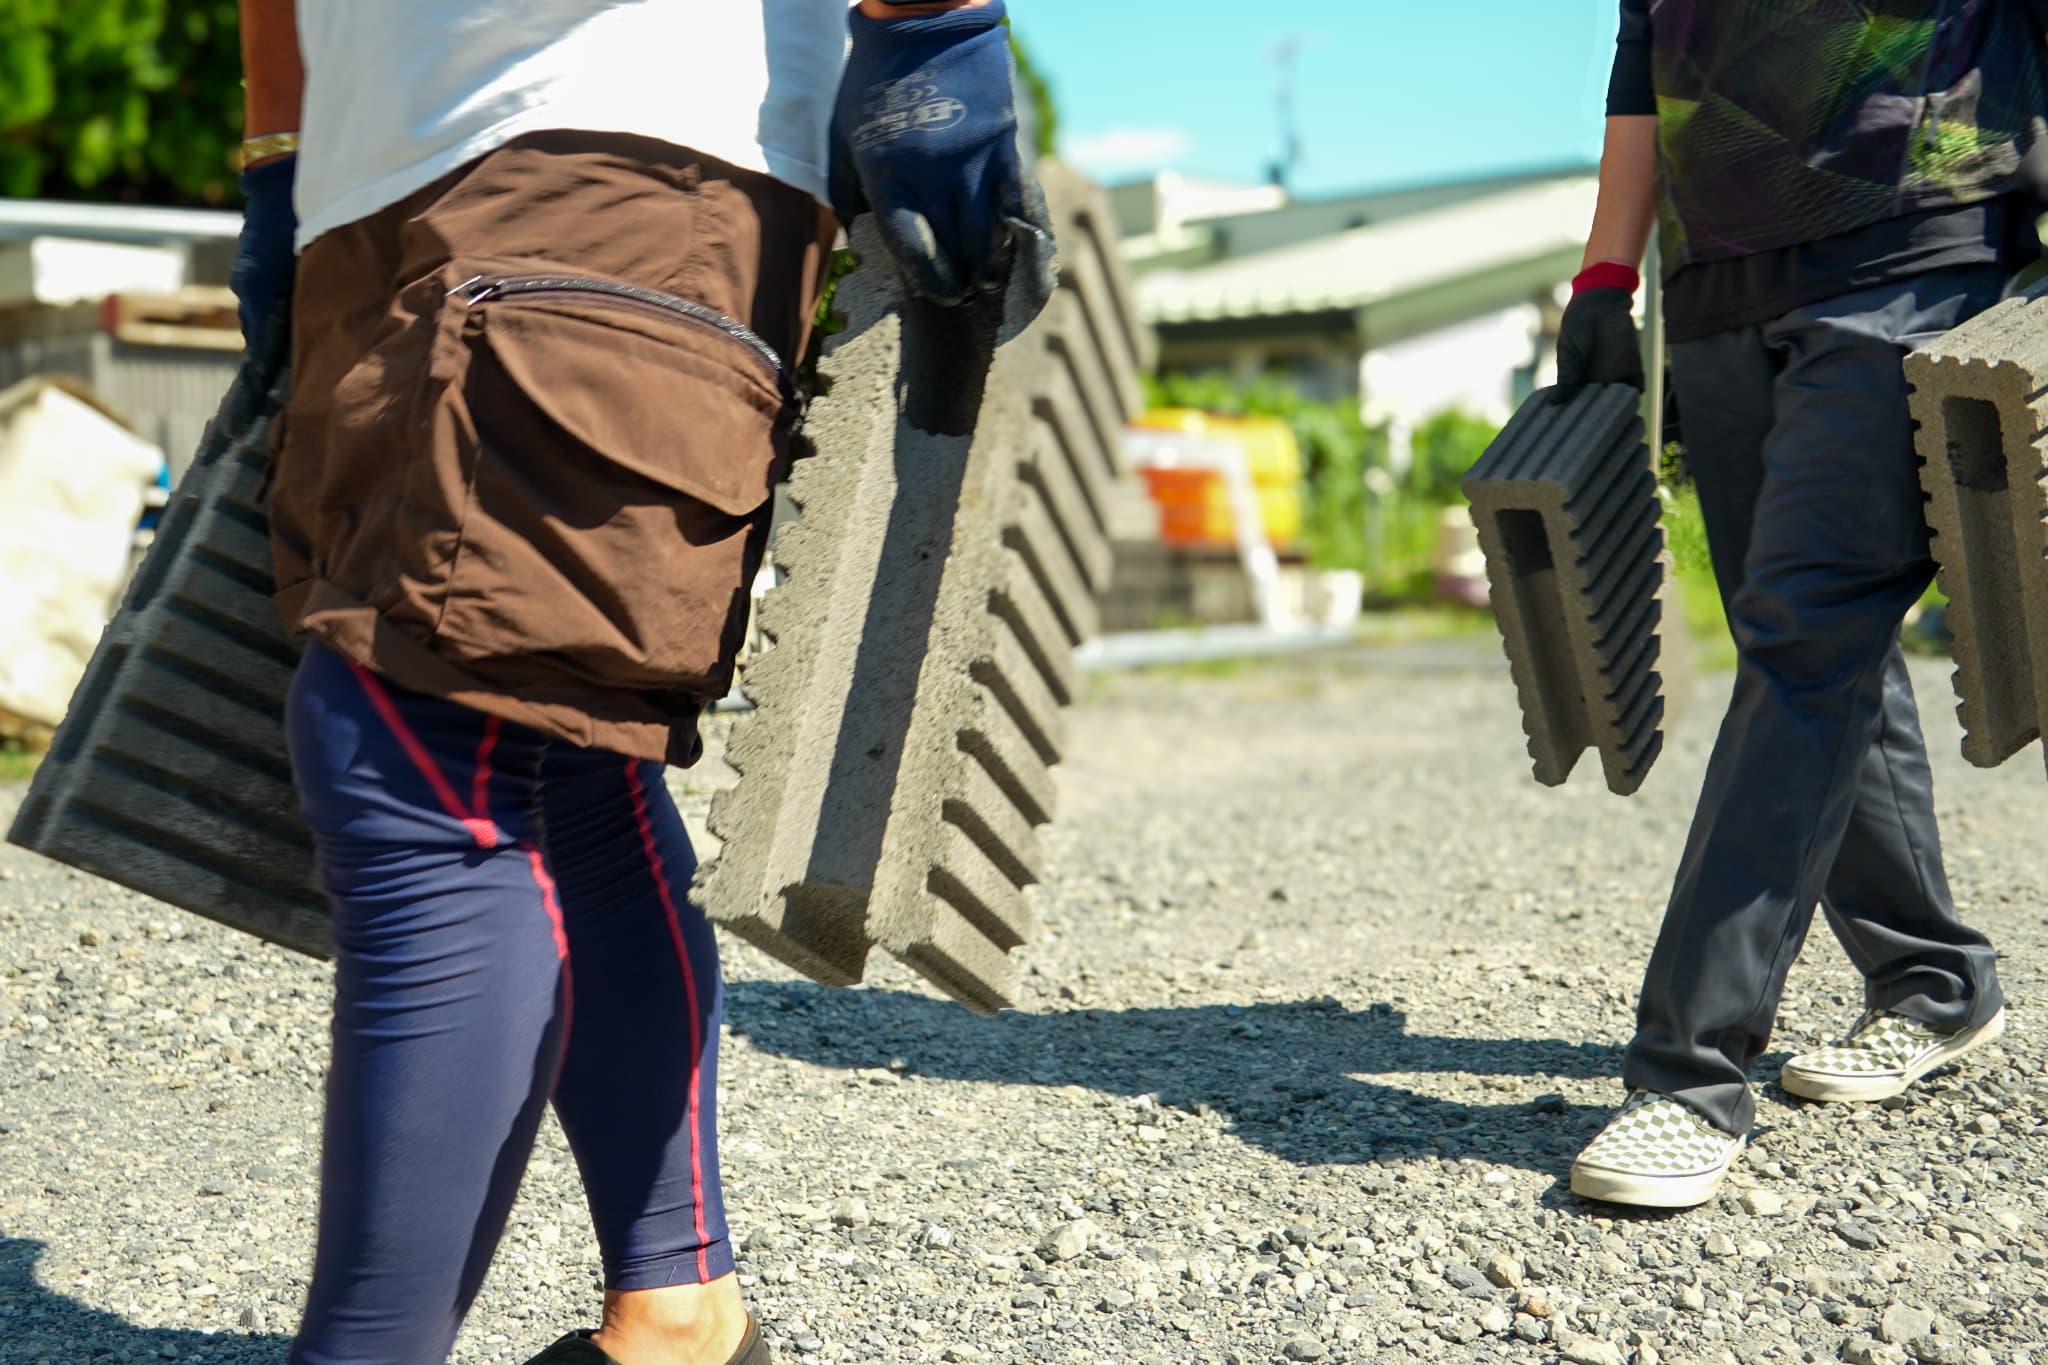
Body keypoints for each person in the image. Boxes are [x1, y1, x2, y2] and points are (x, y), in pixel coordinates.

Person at [228, 2, 1053, 1362]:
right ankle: (677, 1310)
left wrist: (933, 21)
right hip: (382, 173)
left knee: (418, 745)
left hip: (608, 129)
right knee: (563, 749)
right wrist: (282, 146)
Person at [1557, 0, 2045, 1209]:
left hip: (1914, 241)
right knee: (1815, 641)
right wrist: (1605, 275)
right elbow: (1642, 55)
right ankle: (1933, 982)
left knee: (1801, 639)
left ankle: (1687, 1072)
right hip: (1718, 279)